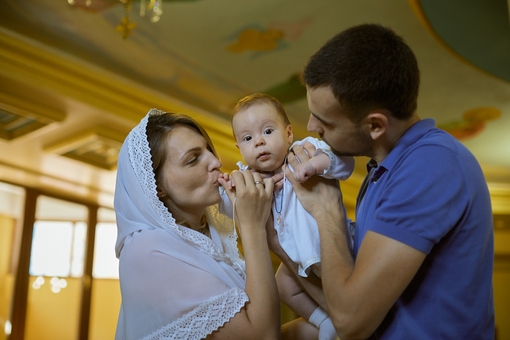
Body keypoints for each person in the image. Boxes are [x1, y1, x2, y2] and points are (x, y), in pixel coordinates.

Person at [269, 24, 495, 339]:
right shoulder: (382, 171)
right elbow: (348, 310)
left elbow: (351, 322)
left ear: (375, 125)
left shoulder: (430, 165)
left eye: (325, 121)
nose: (311, 127)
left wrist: (327, 211)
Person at [114, 108, 281, 339]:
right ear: (157, 187)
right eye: (193, 159)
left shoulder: (206, 240)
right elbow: (262, 336)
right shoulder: (146, 249)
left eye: (209, 150)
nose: (216, 161)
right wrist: (252, 227)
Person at [219, 93, 354, 340]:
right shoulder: (249, 179)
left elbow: (344, 163)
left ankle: (347, 318)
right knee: (282, 285)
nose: (259, 142)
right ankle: (325, 320)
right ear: (239, 147)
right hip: (294, 257)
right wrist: (231, 191)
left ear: (288, 133)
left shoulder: (302, 152)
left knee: (346, 291)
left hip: (328, 245)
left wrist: (315, 166)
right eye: (248, 138)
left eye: (268, 131)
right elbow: (235, 212)